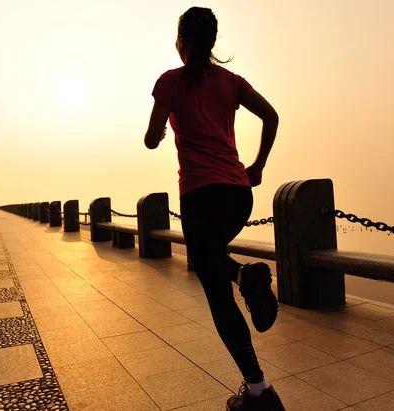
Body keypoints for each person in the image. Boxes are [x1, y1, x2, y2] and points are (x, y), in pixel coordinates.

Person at [144, 7, 285, 411]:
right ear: (212, 42)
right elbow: (271, 116)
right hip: (238, 194)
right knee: (210, 264)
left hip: (200, 195)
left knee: (215, 286)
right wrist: (257, 166)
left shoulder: (169, 82)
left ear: (181, 42)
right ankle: (256, 388)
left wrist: (163, 126)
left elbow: (152, 140)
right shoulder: (231, 81)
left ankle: (258, 389)